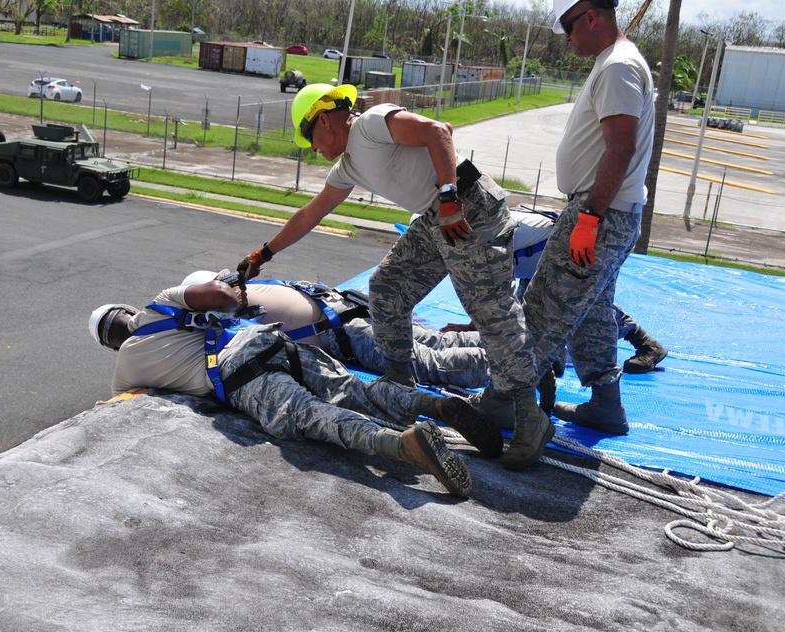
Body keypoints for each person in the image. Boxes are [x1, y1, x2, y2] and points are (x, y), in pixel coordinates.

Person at [235, 83, 553, 471]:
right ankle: (401, 384)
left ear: (323, 120)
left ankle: (527, 413)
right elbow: (311, 213)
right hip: (436, 216)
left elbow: (439, 131)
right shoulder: (348, 165)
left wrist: (451, 198)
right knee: (387, 287)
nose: (314, 149)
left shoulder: (371, 124)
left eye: (310, 137)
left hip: (467, 205)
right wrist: (262, 254)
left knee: (492, 311)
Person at [87, 276, 517, 498]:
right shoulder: (162, 302)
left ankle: (402, 445)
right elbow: (221, 295)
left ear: (109, 345)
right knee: (356, 390)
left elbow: (118, 405)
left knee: (316, 416)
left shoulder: (126, 369)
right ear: (126, 309)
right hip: (269, 340)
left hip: (239, 377)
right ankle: (434, 405)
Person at [519, 0, 656, 435]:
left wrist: (589, 219)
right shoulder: (614, 62)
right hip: (610, 211)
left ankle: (509, 402)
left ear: (591, 16)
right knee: (594, 311)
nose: (567, 37)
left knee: (543, 305)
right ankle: (605, 404)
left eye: (569, 27)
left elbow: (620, 147)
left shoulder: (617, 67)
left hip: (602, 211)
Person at [180, 270, 492, 391]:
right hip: (358, 309)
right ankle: (519, 346)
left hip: (350, 331)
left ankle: (514, 367)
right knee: (439, 341)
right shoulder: (255, 286)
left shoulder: (232, 312)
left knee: (428, 364)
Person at [442, 209, 668, 375]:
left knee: (582, 303)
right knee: (533, 314)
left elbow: (498, 293)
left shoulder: (482, 236)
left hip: (557, 245)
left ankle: (646, 343)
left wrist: (471, 328)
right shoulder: (467, 236)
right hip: (534, 258)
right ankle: (551, 360)